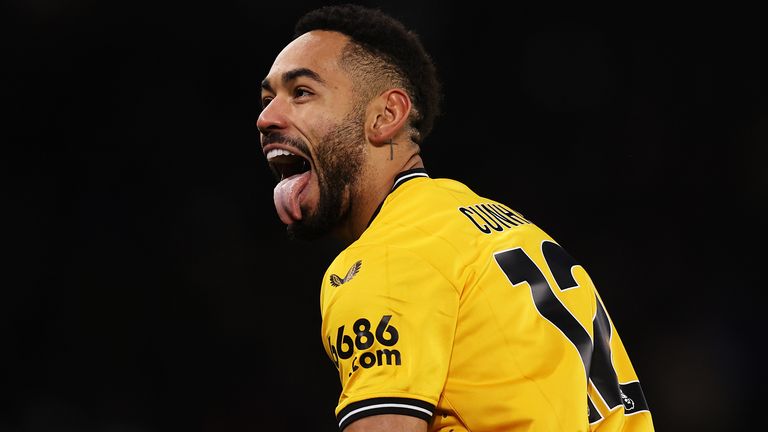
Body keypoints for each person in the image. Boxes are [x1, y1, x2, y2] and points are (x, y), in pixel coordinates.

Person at [257, 4, 654, 431]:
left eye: (301, 93)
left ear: (386, 116)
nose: (266, 118)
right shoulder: (494, 226)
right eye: (267, 99)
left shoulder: (391, 256)